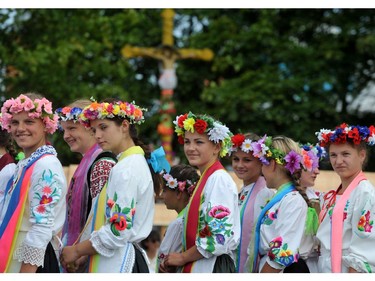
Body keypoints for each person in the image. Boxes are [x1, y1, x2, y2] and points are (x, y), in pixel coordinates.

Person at [60, 98, 169, 273]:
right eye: (94, 130)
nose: (97, 135)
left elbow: (118, 231)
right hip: (118, 257)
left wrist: (77, 250)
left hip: (119, 262)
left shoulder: (126, 168)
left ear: (124, 126)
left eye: (103, 127)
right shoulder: (129, 163)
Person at [162, 112, 240, 273]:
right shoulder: (207, 178)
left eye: (199, 142)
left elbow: (219, 237)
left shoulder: (219, 179)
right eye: (187, 142)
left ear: (216, 147)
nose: (191, 148)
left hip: (213, 266)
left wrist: (182, 257)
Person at [0, 93, 67, 273]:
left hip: (32, 262)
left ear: (46, 125)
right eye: (15, 122)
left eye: (29, 122)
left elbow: (42, 226)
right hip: (16, 252)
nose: (20, 128)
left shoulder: (46, 165)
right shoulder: (26, 164)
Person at [56, 100, 117, 272]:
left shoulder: (102, 164)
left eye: (72, 128)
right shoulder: (87, 163)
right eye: (64, 129)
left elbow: (103, 217)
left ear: (90, 128)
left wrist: (81, 252)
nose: (65, 135)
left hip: (92, 258)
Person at [245, 135, 310, 273]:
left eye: (263, 164)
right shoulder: (279, 197)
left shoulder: (293, 201)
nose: (261, 170)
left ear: (272, 164)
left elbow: (283, 252)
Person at [316, 123, 375, 273]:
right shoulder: (333, 195)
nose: (338, 161)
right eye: (333, 155)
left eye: (345, 154)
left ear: (362, 155)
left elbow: (364, 250)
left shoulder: (364, 193)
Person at [230, 133, 275, 273]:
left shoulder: (266, 193)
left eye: (247, 160)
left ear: (261, 161)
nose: (239, 165)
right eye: (236, 159)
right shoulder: (243, 190)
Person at [156, 164, 200, 273]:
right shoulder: (193, 217)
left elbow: (164, 256)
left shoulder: (179, 224)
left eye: (165, 190)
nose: (161, 195)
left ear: (179, 193)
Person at [298, 143, 325, 273]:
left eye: (317, 166)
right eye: (312, 165)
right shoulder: (282, 198)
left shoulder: (319, 197)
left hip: (314, 266)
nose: (317, 171)